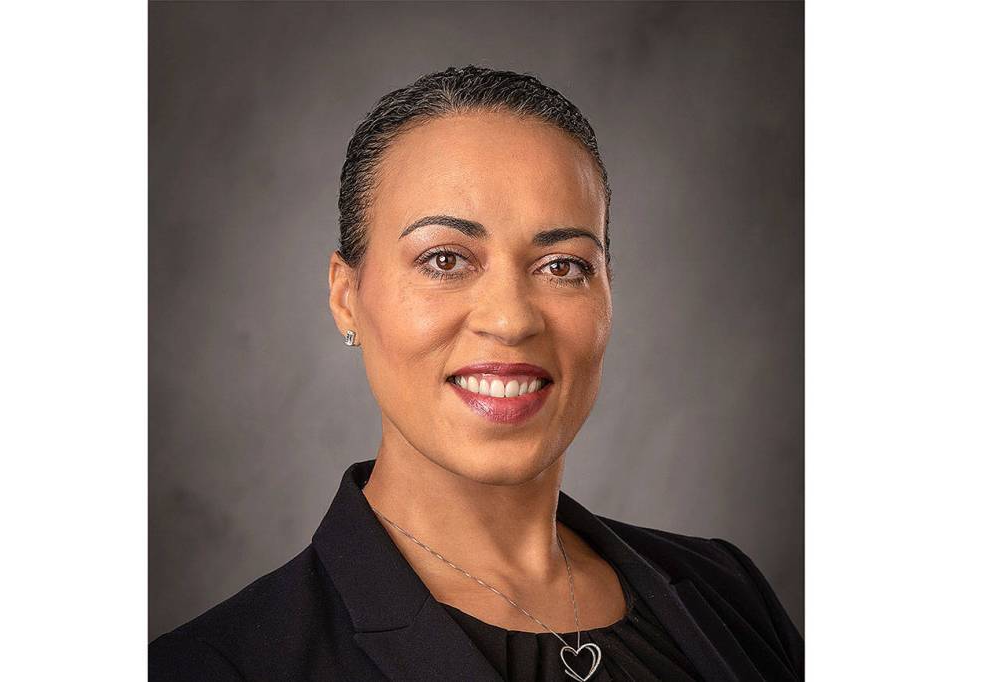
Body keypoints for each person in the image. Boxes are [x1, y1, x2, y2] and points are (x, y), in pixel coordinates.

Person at [149, 65, 804, 681]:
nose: (511, 320)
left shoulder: (730, 592)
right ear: (346, 297)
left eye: (562, 266)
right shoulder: (214, 667)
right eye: (444, 260)